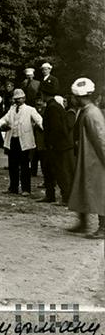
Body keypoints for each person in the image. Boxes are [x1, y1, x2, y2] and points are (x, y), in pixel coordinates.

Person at [67, 78, 105, 239]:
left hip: (95, 161)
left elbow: (101, 139)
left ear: (78, 97)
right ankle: (83, 223)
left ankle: (103, 227)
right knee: (83, 189)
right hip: (87, 159)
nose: (71, 99)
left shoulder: (92, 114)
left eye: (73, 97)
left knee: (100, 192)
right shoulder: (86, 111)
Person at [0, 88, 43, 195]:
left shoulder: (30, 110)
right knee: (12, 165)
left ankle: (26, 189)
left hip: (24, 141)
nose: (18, 101)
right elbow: (3, 119)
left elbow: (39, 120)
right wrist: (3, 124)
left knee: (25, 166)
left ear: (24, 98)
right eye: (16, 99)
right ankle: (13, 187)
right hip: (13, 140)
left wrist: (45, 130)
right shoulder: (12, 110)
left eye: (20, 98)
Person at [44, 94, 75, 205]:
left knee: (63, 171)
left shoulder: (69, 112)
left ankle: (66, 197)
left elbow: (62, 127)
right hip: (64, 144)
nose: (64, 103)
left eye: (66, 101)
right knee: (63, 171)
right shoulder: (62, 110)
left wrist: (52, 143)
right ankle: (65, 196)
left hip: (63, 145)